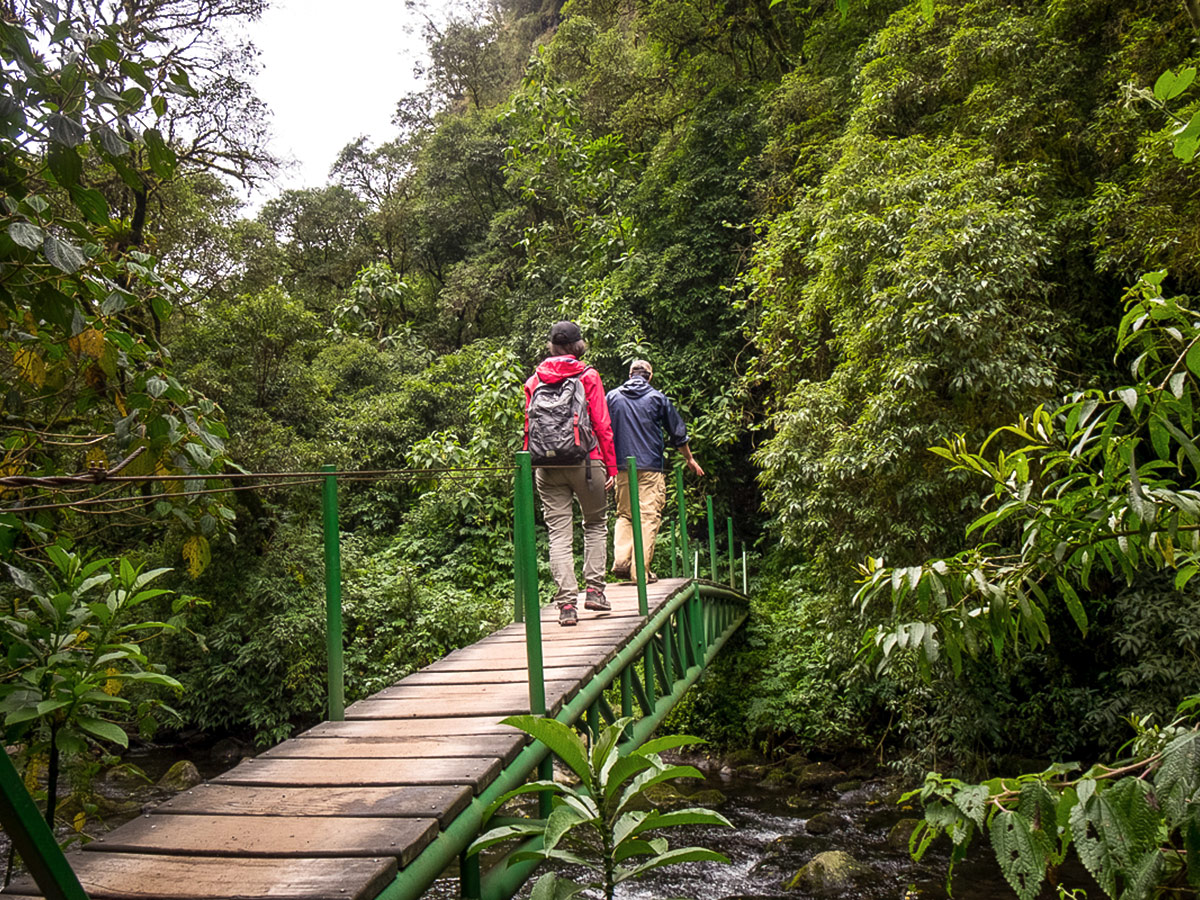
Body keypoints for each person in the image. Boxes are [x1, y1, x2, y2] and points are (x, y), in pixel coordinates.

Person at [524, 321, 618, 626]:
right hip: (586, 462)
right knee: (595, 523)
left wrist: (531, 466)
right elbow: (602, 425)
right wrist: (612, 468)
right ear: (578, 346)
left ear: (551, 346)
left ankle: (566, 605)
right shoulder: (588, 375)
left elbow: (529, 429)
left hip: (546, 466)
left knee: (558, 534)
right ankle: (594, 591)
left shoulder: (533, 381)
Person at [606, 359, 703, 582]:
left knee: (625, 514)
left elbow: (602, 429)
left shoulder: (612, 397)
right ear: (649, 376)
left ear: (630, 375)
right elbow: (678, 432)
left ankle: (622, 560)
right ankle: (640, 571)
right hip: (650, 468)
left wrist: (606, 465)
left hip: (621, 467)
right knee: (648, 517)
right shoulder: (658, 398)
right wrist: (689, 458)